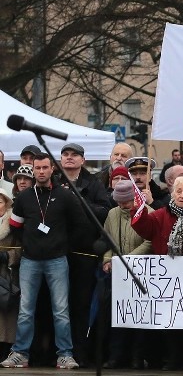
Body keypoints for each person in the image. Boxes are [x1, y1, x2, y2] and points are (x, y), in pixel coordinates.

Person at [2, 153, 86, 369]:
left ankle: (65, 354)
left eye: (44, 167)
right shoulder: (24, 197)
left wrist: (65, 246)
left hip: (57, 260)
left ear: (52, 169)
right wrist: (29, 243)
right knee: (25, 310)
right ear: (34, 170)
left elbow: (80, 224)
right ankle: (20, 352)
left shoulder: (66, 196)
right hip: (30, 261)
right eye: (37, 168)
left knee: (60, 310)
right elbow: (15, 225)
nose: (40, 171)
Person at [131, 176, 183, 371]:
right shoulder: (160, 215)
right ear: (172, 193)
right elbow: (143, 228)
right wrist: (139, 208)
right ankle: (174, 360)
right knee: (171, 322)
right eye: (179, 191)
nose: (182, 195)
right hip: (167, 280)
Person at [59, 142, 111, 367]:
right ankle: (57, 351)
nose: (69, 158)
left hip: (84, 255)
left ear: (82, 159)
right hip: (57, 253)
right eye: (65, 154)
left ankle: (81, 352)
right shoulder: (54, 181)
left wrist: (78, 202)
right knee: (58, 306)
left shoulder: (94, 183)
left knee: (81, 304)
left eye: (74, 155)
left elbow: (104, 210)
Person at [102, 181, 152, 369]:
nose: (123, 205)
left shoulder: (148, 212)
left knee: (139, 317)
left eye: (127, 202)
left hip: (141, 271)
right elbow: (106, 240)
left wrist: (127, 260)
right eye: (119, 202)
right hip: (118, 272)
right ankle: (116, 356)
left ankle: (137, 357)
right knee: (118, 316)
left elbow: (150, 241)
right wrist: (107, 259)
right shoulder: (112, 214)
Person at [0, 189, 21, 359]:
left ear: (6, 203)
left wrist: (7, 256)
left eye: (0, 201)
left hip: (7, 275)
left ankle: (6, 349)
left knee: (7, 316)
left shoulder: (13, 222)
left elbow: (22, 247)